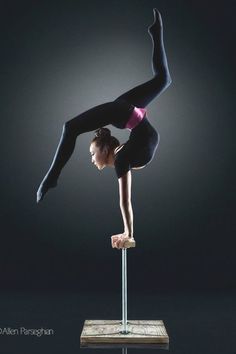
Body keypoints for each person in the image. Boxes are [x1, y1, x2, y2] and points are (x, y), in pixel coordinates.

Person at [36, 9, 172, 249]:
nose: (91, 159)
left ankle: (51, 178)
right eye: (91, 154)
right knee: (163, 80)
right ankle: (156, 32)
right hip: (129, 114)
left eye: (91, 153)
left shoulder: (122, 158)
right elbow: (126, 201)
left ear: (105, 148)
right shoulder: (122, 157)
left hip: (125, 113)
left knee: (71, 127)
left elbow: (125, 202)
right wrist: (128, 233)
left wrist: (128, 233)